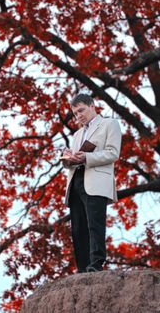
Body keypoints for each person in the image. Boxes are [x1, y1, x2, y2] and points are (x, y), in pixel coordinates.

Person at [62, 93, 122, 273]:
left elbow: (113, 153)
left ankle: (96, 263)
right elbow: (73, 160)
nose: (78, 115)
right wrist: (68, 158)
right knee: (78, 227)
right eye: (75, 113)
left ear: (92, 106)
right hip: (75, 181)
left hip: (95, 180)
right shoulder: (78, 134)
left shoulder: (110, 124)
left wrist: (87, 157)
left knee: (94, 224)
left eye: (81, 110)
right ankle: (82, 268)